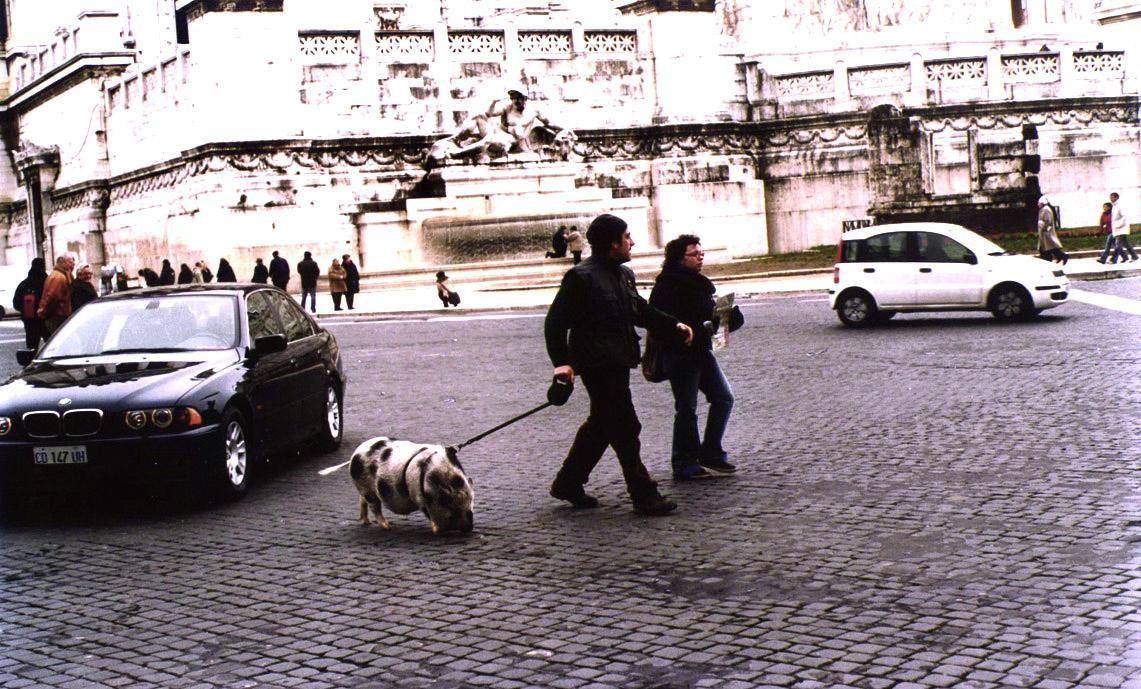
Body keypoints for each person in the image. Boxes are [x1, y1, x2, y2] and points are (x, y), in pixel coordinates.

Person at [544, 213, 693, 516]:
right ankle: (643, 494)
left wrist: (673, 325)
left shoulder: (624, 274)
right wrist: (561, 364)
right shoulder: (580, 277)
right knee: (625, 426)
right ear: (613, 244)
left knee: (601, 424)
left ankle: (568, 483)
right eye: (627, 237)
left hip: (619, 360)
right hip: (596, 364)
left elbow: (641, 311)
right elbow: (554, 323)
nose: (632, 241)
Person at [648, 235, 736, 481]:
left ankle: (710, 452)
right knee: (686, 408)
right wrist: (689, 329)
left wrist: (728, 317)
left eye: (701, 253)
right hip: (680, 355)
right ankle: (683, 462)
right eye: (694, 254)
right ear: (679, 258)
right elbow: (659, 323)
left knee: (723, 398)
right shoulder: (666, 286)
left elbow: (709, 316)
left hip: (701, 352)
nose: (700, 258)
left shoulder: (699, 284)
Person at [12, 257, 47, 349]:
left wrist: (25, 311)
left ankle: (30, 362)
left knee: (31, 347)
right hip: (45, 320)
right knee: (50, 345)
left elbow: (16, 303)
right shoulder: (47, 282)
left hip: (30, 321)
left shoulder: (24, 284)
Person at [37, 254, 75, 335]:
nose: (73, 265)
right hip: (57, 316)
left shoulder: (62, 275)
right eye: (70, 262)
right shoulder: (58, 277)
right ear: (62, 263)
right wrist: (45, 312)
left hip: (59, 315)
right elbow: (52, 297)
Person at [1036, 195, 1067, 265]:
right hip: (1044, 233)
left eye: (1039, 203)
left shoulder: (1046, 209)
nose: (1038, 204)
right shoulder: (1043, 209)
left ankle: (1062, 257)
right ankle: (1059, 257)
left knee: (1049, 248)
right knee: (1049, 248)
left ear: (1043, 203)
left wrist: (1042, 225)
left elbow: (1048, 221)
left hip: (1046, 233)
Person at [1110, 192, 1137, 263]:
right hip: (1118, 229)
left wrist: (1118, 225)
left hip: (1121, 229)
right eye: (1110, 197)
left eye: (1112, 197)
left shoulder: (1120, 206)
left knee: (1118, 245)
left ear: (1116, 198)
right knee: (1126, 244)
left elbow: (1124, 217)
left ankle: (1113, 260)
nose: (1111, 199)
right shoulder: (1114, 206)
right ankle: (1134, 256)